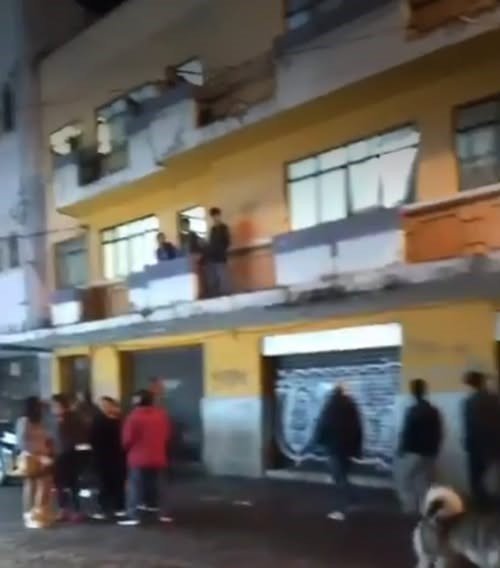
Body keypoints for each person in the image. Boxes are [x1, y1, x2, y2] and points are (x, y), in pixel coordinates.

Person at [120, 390, 173, 526]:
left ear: (136, 401)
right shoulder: (162, 415)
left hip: (138, 457)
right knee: (159, 486)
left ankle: (133, 515)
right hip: (158, 455)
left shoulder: (133, 417)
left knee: (135, 486)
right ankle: (163, 513)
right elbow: (167, 435)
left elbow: (127, 440)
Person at [317, 384, 363, 522]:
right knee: (342, 476)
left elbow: (323, 425)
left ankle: (344, 506)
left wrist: (319, 442)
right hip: (348, 448)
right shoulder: (351, 406)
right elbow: (358, 428)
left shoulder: (330, 406)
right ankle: (352, 500)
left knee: (339, 478)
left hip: (334, 448)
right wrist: (357, 448)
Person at [396, 379, 442, 514]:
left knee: (405, 481)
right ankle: (425, 510)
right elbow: (439, 432)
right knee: (426, 483)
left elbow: (407, 432)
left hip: (413, 452)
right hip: (430, 452)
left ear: (412, 392)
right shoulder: (433, 410)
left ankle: (410, 509)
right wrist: (435, 449)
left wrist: (401, 449)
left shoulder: (412, 411)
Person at [462, 370, 500, 508]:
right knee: (492, 475)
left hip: (476, 445)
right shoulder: (494, 398)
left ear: (470, 384)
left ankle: (483, 505)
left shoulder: (469, 402)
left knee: (476, 478)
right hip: (494, 443)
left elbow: (471, 426)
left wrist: (467, 443)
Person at [16, 396, 54, 528]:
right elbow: (21, 442)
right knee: (30, 485)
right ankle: (28, 514)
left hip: (43, 456)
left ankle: (39, 512)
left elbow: (46, 438)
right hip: (30, 456)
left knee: (44, 485)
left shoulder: (40, 421)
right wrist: (37, 455)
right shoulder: (24, 421)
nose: (41, 408)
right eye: (39, 405)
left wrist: (47, 452)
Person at [50, 393, 86, 522]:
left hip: (68, 456)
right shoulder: (57, 419)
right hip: (62, 456)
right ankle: (64, 510)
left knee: (71, 484)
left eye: (54, 405)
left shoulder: (71, 419)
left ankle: (75, 511)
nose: (52, 408)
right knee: (62, 485)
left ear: (61, 405)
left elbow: (75, 438)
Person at [90, 397, 126, 520]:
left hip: (116, 456)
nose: (104, 407)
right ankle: (104, 508)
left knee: (117, 482)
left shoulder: (119, 421)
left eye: (107, 405)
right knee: (103, 483)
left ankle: (119, 507)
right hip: (102, 457)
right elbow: (93, 438)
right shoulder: (97, 420)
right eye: (102, 405)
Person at [205, 207, 231, 297]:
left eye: (216, 215)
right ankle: (217, 294)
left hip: (221, 255)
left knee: (223, 275)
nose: (215, 218)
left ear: (219, 216)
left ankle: (226, 293)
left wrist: (222, 250)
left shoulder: (224, 227)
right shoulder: (212, 229)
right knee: (214, 276)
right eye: (213, 216)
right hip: (213, 256)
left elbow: (227, 241)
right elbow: (211, 242)